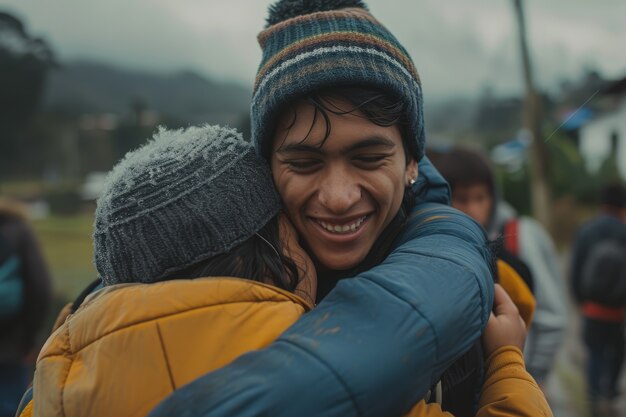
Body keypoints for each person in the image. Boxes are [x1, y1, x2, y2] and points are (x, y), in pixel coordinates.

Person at [20, 125, 551, 417]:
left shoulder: (53, 383)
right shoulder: (337, 375)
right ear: (269, 243)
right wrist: (507, 364)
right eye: (293, 230)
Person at [150, 1, 496, 416]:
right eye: (303, 163)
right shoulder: (213, 281)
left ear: (411, 163)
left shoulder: (476, 318)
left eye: (368, 159)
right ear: (267, 169)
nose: (338, 197)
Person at [430, 146, 567, 387]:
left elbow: (550, 319)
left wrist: (529, 379)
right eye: (462, 199)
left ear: (493, 198)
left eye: (480, 198)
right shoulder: (440, 251)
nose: (473, 210)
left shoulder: (519, 237)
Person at [570, 183, 626, 413]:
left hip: (592, 308)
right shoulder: (623, 232)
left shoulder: (587, 230)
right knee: (617, 350)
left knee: (594, 352)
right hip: (618, 310)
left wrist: (581, 301)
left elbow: (575, 270)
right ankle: (610, 392)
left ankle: (594, 399)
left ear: (602, 204)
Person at [0, 199, 51, 417]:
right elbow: (39, 288)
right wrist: (31, 340)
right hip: (13, 346)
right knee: (14, 407)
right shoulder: (18, 230)